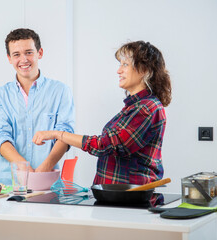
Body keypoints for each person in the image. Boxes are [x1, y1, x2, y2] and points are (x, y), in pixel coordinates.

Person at [33, 41, 171, 185]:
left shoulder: (146, 108)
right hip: (117, 196)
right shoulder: (135, 107)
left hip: (130, 199)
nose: (119, 71)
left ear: (144, 70)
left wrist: (57, 134)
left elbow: (106, 145)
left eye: (125, 64)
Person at [0, 28, 75, 185]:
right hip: (7, 183)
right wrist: (24, 168)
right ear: (9, 58)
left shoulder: (60, 91)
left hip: (47, 181)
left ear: (39, 53)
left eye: (29, 52)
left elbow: (65, 134)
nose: (23, 59)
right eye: (16, 54)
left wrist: (44, 169)